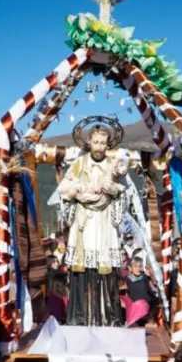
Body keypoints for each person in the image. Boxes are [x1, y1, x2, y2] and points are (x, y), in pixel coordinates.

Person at [57, 123, 128, 326]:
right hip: (85, 223)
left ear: (108, 144)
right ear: (89, 142)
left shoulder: (113, 165)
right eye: (95, 142)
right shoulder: (79, 164)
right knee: (81, 273)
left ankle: (107, 318)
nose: (98, 147)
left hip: (105, 225)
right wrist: (79, 188)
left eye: (102, 143)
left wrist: (113, 190)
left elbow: (124, 193)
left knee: (105, 274)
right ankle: (80, 317)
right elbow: (64, 188)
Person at [124, 256, 157, 327]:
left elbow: (149, 291)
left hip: (145, 310)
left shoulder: (144, 277)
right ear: (130, 268)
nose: (138, 268)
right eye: (135, 266)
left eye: (139, 266)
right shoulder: (127, 279)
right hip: (134, 311)